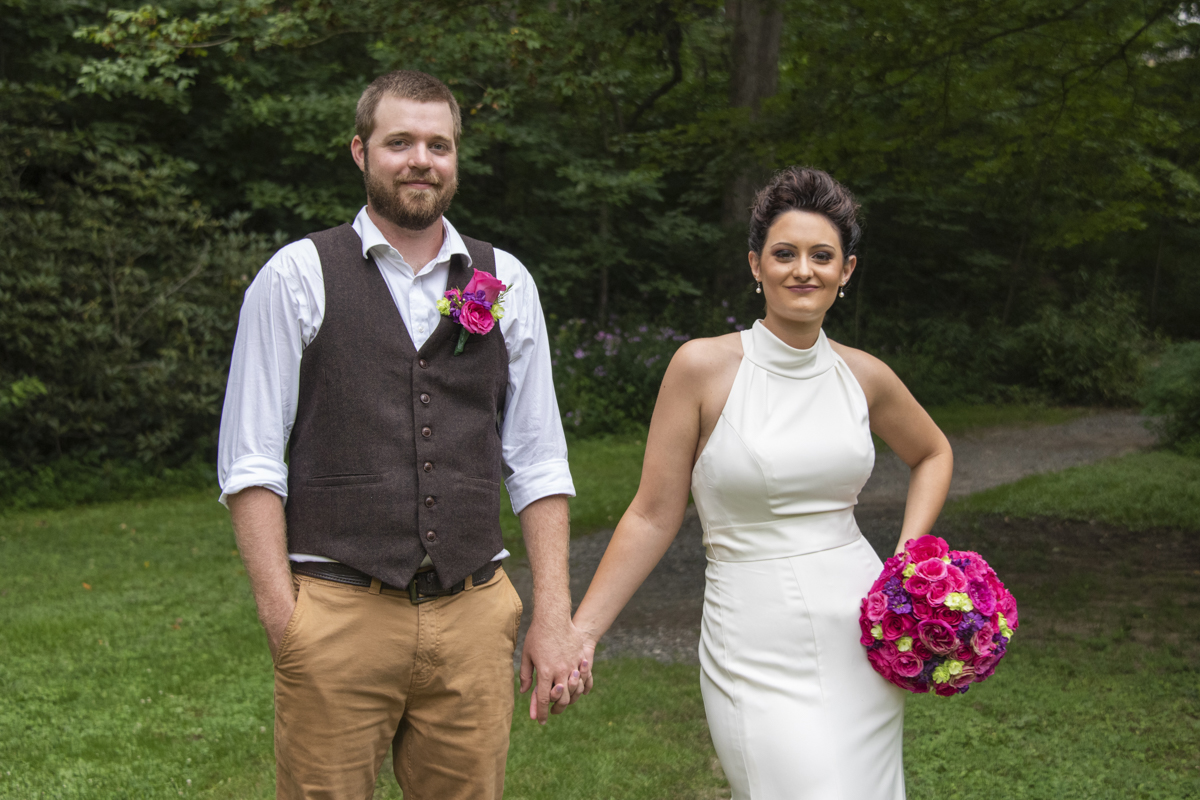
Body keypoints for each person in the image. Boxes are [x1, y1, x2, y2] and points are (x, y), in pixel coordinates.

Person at [217, 70, 588, 800]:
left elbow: (539, 459)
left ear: (455, 159)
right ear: (360, 152)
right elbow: (251, 462)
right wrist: (284, 620)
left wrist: (552, 613)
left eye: (438, 145)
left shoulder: (503, 280)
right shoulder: (298, 275)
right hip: (337, 611)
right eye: (399, 142)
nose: (421, 159)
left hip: (474, 612)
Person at [570, 167, 954, 799]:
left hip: (861, 629)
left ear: (846, 271)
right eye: (785, 253)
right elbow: (651, 513)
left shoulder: (865, 376)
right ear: (756, 265)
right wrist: (583, 631)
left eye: (822, 256)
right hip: (753, 636)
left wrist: (907, 563)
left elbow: (933, 451)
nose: (803, 270)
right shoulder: (702, 368)